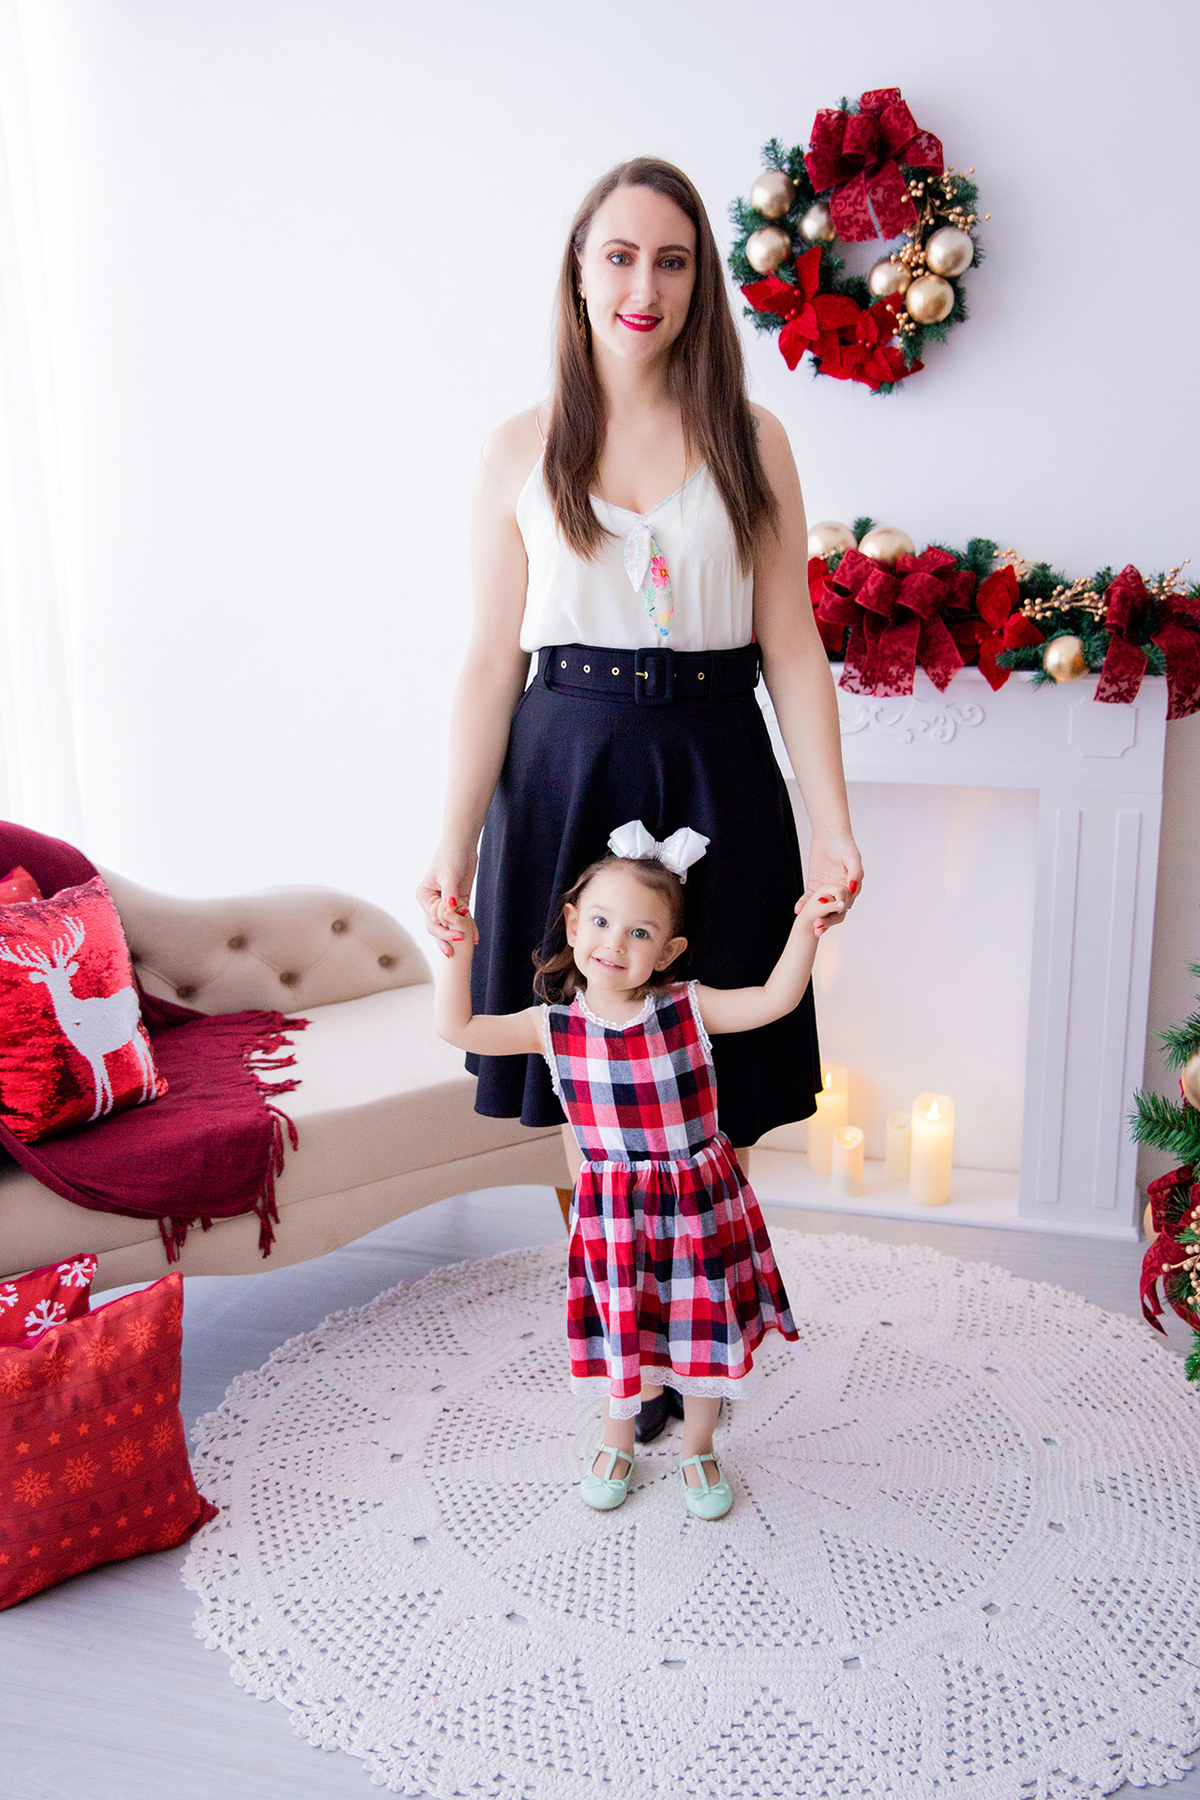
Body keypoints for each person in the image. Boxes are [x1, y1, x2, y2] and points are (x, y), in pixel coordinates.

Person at [418, 154, 862, 1435]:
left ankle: (696, 1297)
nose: (643, 284)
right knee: (584, 1071)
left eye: (671, 260)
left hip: (720, 757)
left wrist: (832, 823)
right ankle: (632, 1330)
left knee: (726, 1064)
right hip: (564, 766)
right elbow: (488, 659)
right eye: (619, 255)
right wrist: (451, 841)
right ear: (577, 267)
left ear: (700, 281)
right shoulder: (519, 446)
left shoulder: (751, 435)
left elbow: (794, 645)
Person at [433, 826, 846, 1518]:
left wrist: (808, 925)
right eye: (600, 922)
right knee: (621, 1325)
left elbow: (775, 1000)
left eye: (640, 933)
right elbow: (459, 1028)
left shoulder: (687, 1008)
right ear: (572, 923)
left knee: (702, 1325)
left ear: (670, 952)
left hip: (697, 1203)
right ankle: (617, 1438)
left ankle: (700, 1449)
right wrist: (459, 945)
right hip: (614, 1211)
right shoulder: (552, 1026)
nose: (615, 945)